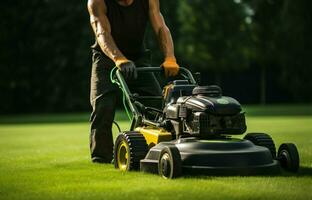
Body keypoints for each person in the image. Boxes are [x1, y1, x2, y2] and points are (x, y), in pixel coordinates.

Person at [87, 0, 180, 163]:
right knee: (103, 106)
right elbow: (102, 32)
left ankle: (159, 150)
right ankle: (101, 157)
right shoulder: (97, 1)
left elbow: (160, 27)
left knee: (157, 105)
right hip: (105, 58)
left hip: (138, 57)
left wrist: (170, 56)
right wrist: (119, 58)